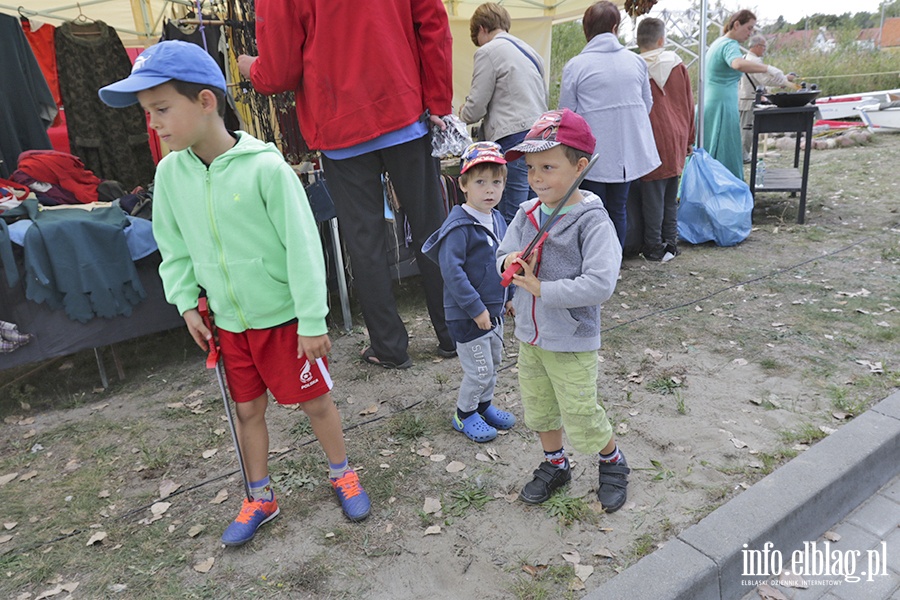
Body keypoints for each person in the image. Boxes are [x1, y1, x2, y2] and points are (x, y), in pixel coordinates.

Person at [98, 41, 371, 546]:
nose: (152, 124)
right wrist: (185, 303)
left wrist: (312, 320)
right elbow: (173, 247)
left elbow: (304, 248)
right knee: (247, 411)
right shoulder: (169, 175)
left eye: (161, 109)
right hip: (229, 325)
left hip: (287, 322)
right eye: (146, 113)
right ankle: (260, 495)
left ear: (205, 102)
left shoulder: (266, 169)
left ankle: (342, 472)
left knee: (315, 403)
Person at [237, 0, 456, 369]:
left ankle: (389, 347)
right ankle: (453, 331)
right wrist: (438, 100)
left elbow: (279, 72)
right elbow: (433, 24)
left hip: (339, 126)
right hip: (404, 109)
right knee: (430, 226)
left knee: (364, 241)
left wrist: (252, 69)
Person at [497, 109, 630, 511]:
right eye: (532, 167)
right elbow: (502, 253)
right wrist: (510, 262)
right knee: (539, 407)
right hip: (530, 336)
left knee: (580, 411)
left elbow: (601, 284)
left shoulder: (592, 222)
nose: (536, 178)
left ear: (580, 167)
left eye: (548, 167)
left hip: (571, 338)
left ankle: (612, 460)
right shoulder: (526, 213)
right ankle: (556, 463)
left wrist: (543, 288)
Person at [422, 142, 517, 443]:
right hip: (468, 316)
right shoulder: (459, 227)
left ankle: (483, 406)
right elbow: (452, 272)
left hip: (494, 313)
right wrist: (476, 309)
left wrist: (510, 295)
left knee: (493, 363)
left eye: (496, 182)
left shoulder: (498, 219)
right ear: (463, 184)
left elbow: (506, 261)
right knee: (478, 369)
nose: (489, 189)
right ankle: (464, 415)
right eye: (480, 182)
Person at [559, 0, 660, 247]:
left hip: (589, 153)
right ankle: (613, 265)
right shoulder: (636, 62)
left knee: (590, 209)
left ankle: (595, 264)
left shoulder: (576, 66)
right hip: (625, 153)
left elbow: (566, 114)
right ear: (615, 27)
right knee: (618, 208)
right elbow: (646, 105)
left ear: (586, 29)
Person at [460, 3, 548, 225]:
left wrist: (461, 113)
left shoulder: (488, 51)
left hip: (513, 140)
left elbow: (476, 108)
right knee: (534, 210)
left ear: (482, 29)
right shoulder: (531, 52)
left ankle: (506, 259)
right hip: (539, 137)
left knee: (512, 216)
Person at [625, 17, 696, 262]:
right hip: (677, 136)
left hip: (650, 136)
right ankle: (671, 241)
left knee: (652, 197)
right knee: (670, 196)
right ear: (662, 39)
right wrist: (689, 137)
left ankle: (654, 245)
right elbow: (689, 104)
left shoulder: (634, 66)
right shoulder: (678, 65)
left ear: (638, 41)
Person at [703, 10, 789, 180]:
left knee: (709, 153)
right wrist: (767, 68)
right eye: (749, 28)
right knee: (725, 154)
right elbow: (737, 64)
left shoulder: (717, 43)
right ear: (736, 24)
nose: (750, 33)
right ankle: (728, 196)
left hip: (712, 102)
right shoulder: (729, 44)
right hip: (722, 106)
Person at [738, 34, 795, 163]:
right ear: (757, 46)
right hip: (750, 100)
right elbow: (764, 79)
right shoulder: (755, 61)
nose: (764, 50)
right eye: (764, 47)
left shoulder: (744, 57)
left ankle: (742, 154)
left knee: (742, 128)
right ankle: (743, 156)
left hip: (742, 98)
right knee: (747, 130)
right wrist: (785, 80)